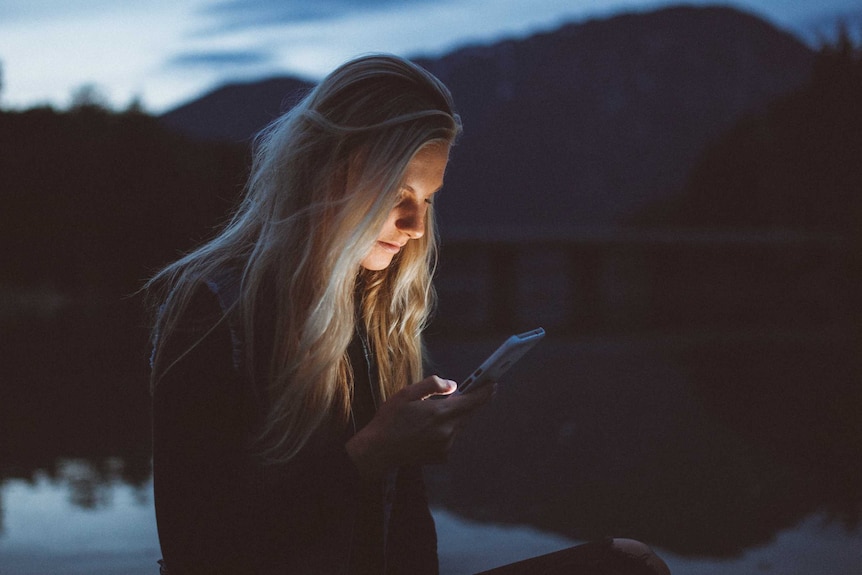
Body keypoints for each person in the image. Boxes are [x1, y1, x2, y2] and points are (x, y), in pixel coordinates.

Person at [147, 54, 670, 575]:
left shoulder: (374, 309)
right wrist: (372, 454)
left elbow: (408, 529)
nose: (416, 225)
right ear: (327, 171)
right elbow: (196, 547)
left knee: (630, 564)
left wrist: (399, 450)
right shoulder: (215, 309)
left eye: (427, 197)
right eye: (398, 193)